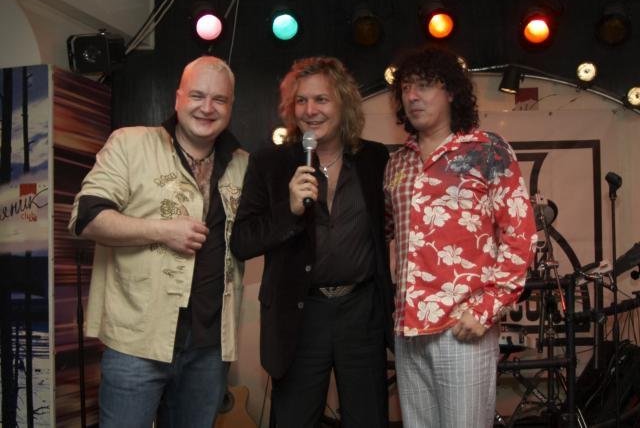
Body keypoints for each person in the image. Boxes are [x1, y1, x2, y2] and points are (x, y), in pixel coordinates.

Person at [68, 55, 248, 428]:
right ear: (178, 98)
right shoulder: (130, 144)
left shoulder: (243, 164)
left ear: (231, 106)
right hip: (136, 341)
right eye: (197, 95)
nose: (207, 107)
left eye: (219, 99)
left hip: (209, 347)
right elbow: (85, 218)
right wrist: (162, 231)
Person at [230, 57, 394, 428]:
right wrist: (288, 211)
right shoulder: (270, 163)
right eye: (301, 101)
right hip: (300, 314)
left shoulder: (374, 158)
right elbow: (242, 241)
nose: (310, 110)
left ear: (344, 104)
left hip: (362, 312)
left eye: (321, 99)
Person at [383, 45, 537, 428]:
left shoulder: (486, 149)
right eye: (405, 88)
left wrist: (485, 309)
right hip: (408, 331)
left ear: (450, 91)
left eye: (424, 85)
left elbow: (520, 234)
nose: (412, 96)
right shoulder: (397, 163)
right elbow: (386, 234)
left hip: (462, 326)